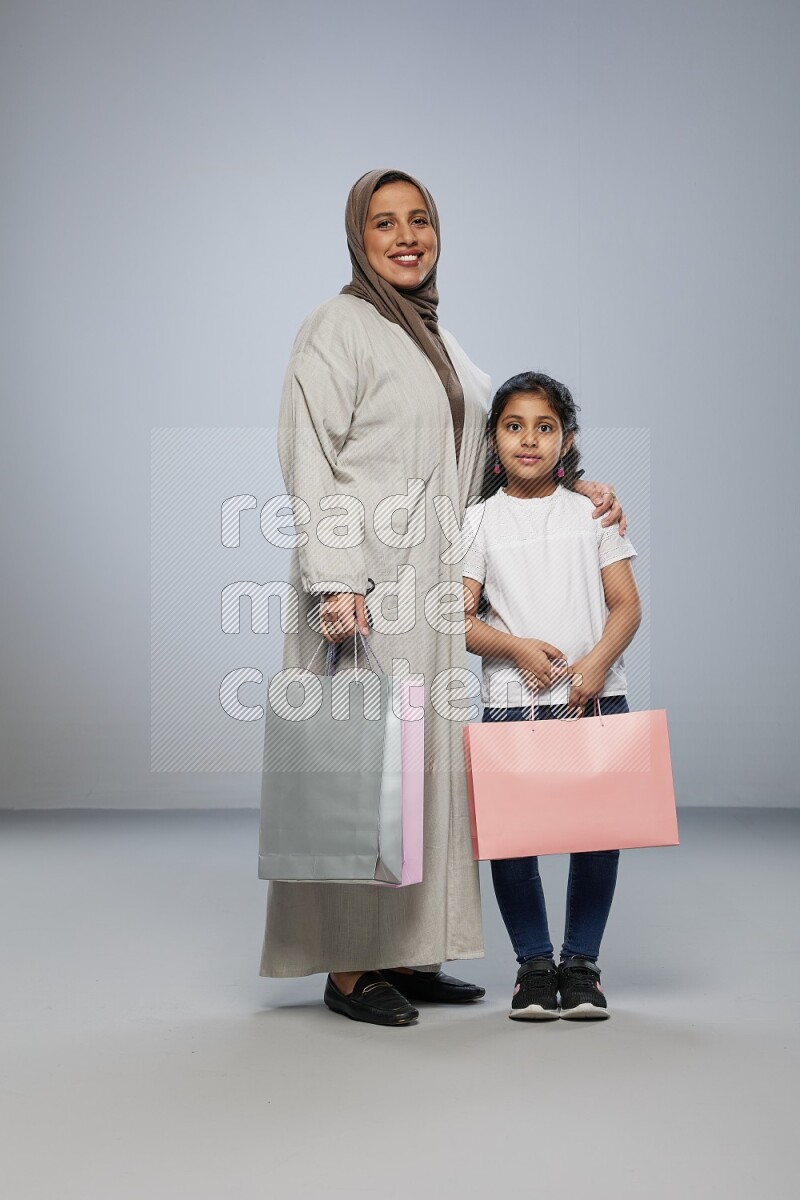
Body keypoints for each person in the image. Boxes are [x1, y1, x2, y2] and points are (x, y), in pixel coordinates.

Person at [260, 170, 627, 1028]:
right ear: (358, 236)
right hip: (365, 583)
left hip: (436, 587)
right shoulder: (336, 328)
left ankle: (404, 953)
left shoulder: (439, 339)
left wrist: (578, 485)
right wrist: (337, 581)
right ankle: (349, 967)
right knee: (360, 772)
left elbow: (501, 444)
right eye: (383, 222)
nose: (404, 236)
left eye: (419, 219)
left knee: (422, 776)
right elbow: (310, 458)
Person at [461, 371, 641, 1021]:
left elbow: (626, 605)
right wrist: (515, 648)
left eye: (545, 427)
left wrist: (594, 663)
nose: (529, 440)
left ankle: (582, 965)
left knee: (598, 837)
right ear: (493, 439)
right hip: (514, 701)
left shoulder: (591, 513)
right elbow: (459, 618)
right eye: (514, 426)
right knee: (515, 841)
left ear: (567, 440)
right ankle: (535, 967)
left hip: (595, 698)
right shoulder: (477, 521)